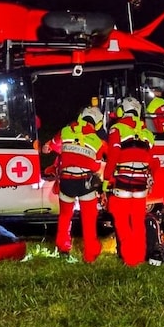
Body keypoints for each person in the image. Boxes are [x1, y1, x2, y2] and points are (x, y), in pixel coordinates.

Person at [42, 105, 107, 263]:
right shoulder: (99, 142)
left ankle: (63, 249)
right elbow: (96, 166)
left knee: (65, 217)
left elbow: (49, 146)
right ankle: (90, 255)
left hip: (66, 182)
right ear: (98, 124)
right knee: (89, 220)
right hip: (84, 183)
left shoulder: (65, 131)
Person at [102, 96, 159, 266]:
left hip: (122, 184)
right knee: (138, 221)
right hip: (141, 186)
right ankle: (139, 256)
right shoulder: (147, 133)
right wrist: (150, 178)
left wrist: (106, 181)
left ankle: (129, 258)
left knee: (122, 221)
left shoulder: (117, 129)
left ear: (121, 110)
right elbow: (155, 162)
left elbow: (113, 157)